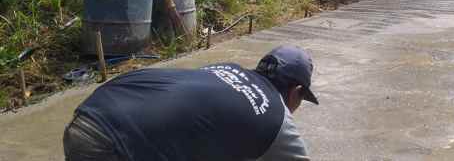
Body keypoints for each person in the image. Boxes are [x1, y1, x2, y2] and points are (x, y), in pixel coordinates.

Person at [63, 45, 318, 161]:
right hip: (111, 144)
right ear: (296, 91)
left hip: (93, 111)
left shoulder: (224, 69)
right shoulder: (277, 118)